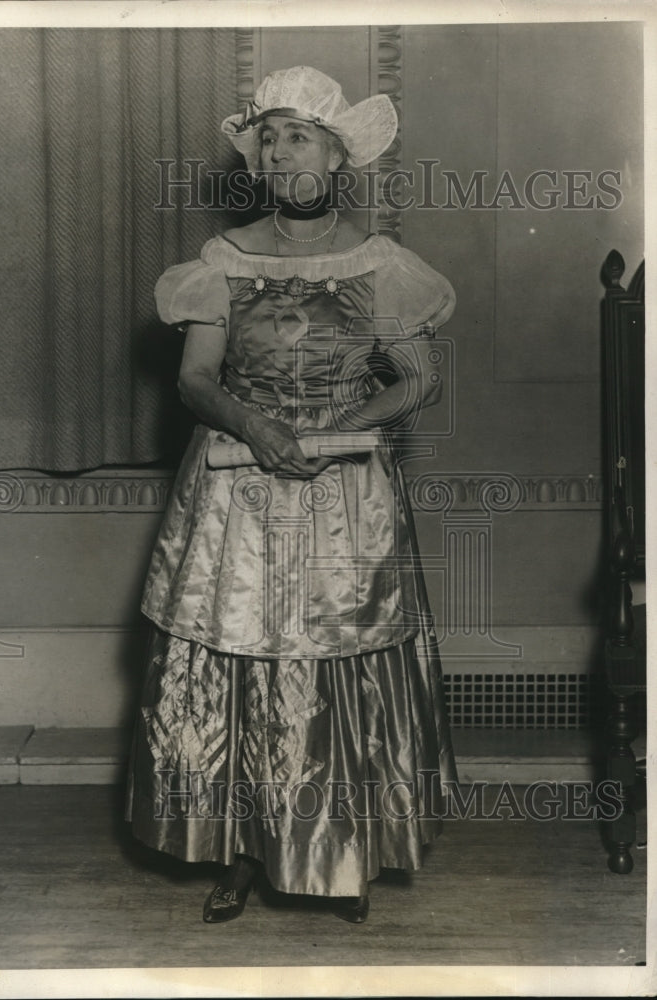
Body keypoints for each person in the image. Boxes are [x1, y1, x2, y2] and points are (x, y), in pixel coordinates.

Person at [126, 65, 457, 924]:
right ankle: (240, 854)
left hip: (345, 489)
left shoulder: (381, 264)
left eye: (297, 136)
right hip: (236, 485)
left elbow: (419, 378)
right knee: (239, 658)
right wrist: (261, 429)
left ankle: (340, 850)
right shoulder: (221, 262)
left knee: (335, 664)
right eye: (267, 137)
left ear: (337, 157)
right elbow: (197, 380)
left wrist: (338, 423)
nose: (278, 152)